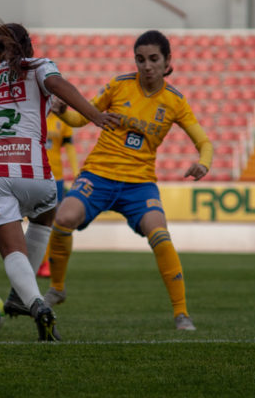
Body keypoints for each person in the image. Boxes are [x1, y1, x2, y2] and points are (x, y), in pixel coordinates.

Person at [0, 21, 119, 341]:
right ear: (29, 47)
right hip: (33, 170)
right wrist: (95, 116)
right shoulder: (39, 66)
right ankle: (18, 297)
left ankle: (35, 304)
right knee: (43, 218)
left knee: (13, 250)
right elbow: (57, 84)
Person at [43, 29, 212, 331]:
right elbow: (84, 118)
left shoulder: (175, 101)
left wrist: (203, 163)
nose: (146, 66)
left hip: (139, 183)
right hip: (99, 174)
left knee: (160, 234)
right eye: (140, 59)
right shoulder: (119, 86)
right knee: (63, 217)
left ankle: (181, 313)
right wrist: (66, 113)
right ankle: (57, 288)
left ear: (167, 61)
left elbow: (204, 142)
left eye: (153, 59)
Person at [37, 97, 79, 278]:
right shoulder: (35, 116)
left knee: (52, 221)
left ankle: (47, 262)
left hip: (57, 178)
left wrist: (77, 173)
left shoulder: (63, 121)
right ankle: (38, 260)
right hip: (36, 175)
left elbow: (69, 147)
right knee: (36, 221)